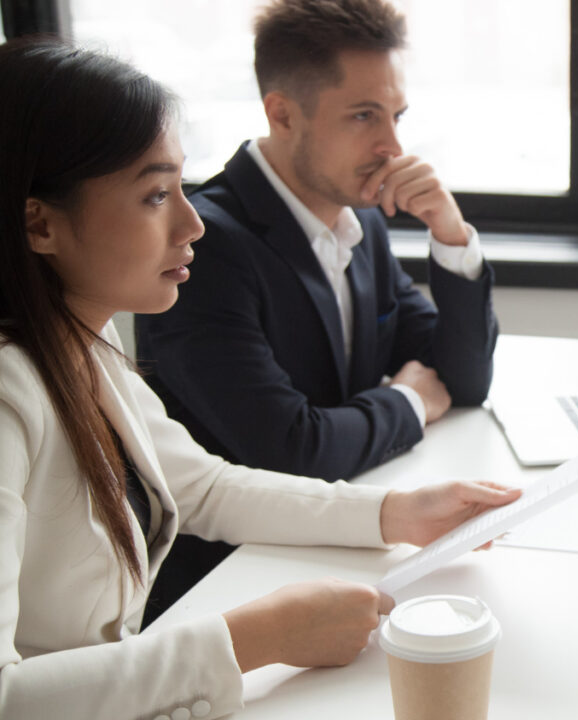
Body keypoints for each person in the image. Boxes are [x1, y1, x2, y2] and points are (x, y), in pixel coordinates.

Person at [0, 37, 519, 720]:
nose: (190, 222)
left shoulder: (80, 340)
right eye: (156, 195)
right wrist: (252, 638)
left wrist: (397, 513)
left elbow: (204, 483)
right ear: (38, 222)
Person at [134, 0, 499, 618]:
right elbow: (289, 451)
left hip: (339, 542)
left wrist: (451, 233)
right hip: (229, 586)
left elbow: (462, 382)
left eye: (396, 115)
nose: (392, 146)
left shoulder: (360, 221)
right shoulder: (208, 246)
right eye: (363, 116)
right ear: (282, 113)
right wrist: (408, 401)